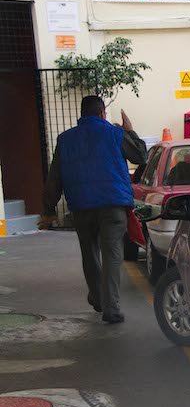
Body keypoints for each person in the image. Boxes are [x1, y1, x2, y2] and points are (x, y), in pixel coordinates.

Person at [39, 96, 147, 324]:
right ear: (102, 114)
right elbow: (140, 156)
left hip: (81, 206)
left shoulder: (65, 139)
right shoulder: (114, 134)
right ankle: (112, 308)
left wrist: (48, 210)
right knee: (112, 256)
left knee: (90, 253)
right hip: (112, 205)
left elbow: (54, 178)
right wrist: (131, 131)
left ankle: (98, 298)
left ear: (82, 114)